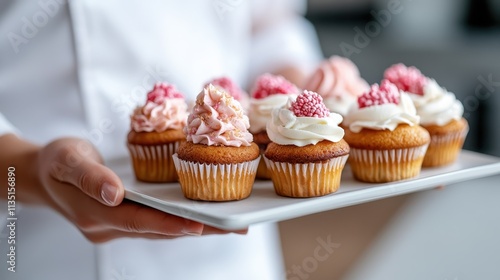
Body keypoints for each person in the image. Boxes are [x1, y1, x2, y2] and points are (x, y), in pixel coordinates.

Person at [0, 0, 322, 279]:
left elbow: (270, 28)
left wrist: (298, 104)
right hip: (44, 246)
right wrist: (26, 170)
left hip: (227, 253)